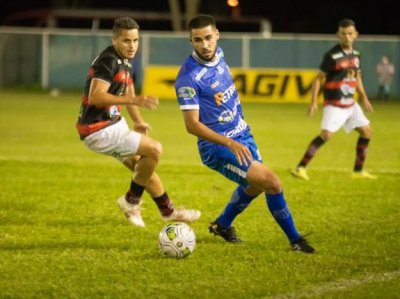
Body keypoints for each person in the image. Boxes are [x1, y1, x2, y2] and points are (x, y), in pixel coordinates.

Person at [174, 14, 315, 254]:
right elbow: (192, 126)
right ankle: (296, 240)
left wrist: (238, 132)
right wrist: (229, 143)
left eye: (208, 38)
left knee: (256, 186)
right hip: (218, 148)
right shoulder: (188, 78)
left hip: (242, 136)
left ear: (217, 35)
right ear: (191, 41)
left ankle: (222, 225)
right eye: (198, 40)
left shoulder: (219, 56)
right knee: (272, 182)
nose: (205, 45)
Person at [76, 17, 200, 228]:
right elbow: (96, 96)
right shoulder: (108, 60)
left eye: (135, 40)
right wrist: (133, 101)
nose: (132, 45)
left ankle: (168, 211)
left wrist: (138, 121)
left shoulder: (124, 59)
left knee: (142, 168)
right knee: (154, 150)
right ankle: (131, 201)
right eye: (126, 40)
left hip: (112, 124)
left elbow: (128, 88)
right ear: (114, 39)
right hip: (98, 129)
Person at [291, 18, 376, 181]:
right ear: (338, 35)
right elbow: (318, 79)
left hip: (351, 103)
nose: (347, 37)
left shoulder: (356, 54)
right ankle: (300, 168)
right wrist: (314, 102)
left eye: (350, 34)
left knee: (367, 132)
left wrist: (364, 98)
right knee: (326, 135)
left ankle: (358, 172)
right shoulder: (332, 55)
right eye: (343, 34)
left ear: (356, 35)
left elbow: (357, 77)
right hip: (335, 104)